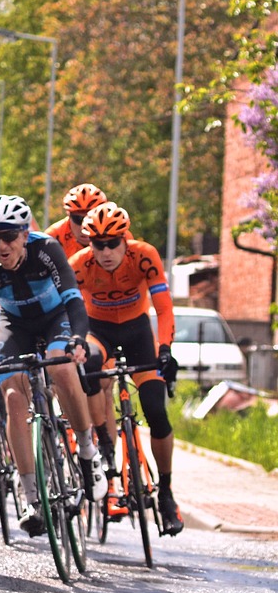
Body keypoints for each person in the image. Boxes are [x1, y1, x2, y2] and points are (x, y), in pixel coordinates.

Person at [0, 194, 107, 538]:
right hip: (15, 326)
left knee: (60, 366)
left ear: (25, 234)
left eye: (9, 236)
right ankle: (30, 497)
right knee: (13, 397)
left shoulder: (48, 250)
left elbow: (73, 299)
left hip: (56, 319)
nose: (1, 246)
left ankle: (88, 450)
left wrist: (78, 340)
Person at [69, 202, 184, 534]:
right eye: (97, 244)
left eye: (112, 244)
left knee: (155, 411)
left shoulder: (144, 255)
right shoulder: (80, 265)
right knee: (89, 365)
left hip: (137, 333)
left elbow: (163, 309)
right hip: (98, 331)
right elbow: (72, 312)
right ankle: (106, 448)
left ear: (125, 239)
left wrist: (165, 350)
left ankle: (166, 490)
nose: (105, 252)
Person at [45, 183, 107, 259]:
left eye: (92, 219)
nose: (83, 226)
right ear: (68, 215)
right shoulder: (52, 237)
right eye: (78, 219)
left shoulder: (119, 238)